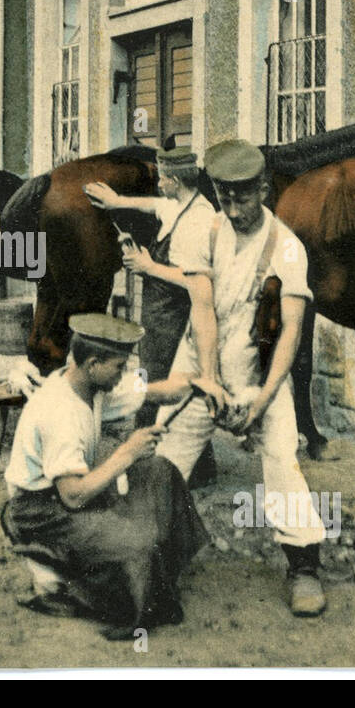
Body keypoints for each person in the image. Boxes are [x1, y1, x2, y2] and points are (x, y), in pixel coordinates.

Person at [154, 139, 329, 617]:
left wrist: (264, 397)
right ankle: (152, 555)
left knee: (281, 457)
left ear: (265, 189)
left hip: (257, 375)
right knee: (166, 462)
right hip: (198, 364)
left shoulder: (288, 248)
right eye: (224, 196)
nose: (233, 208)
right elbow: (202, 309)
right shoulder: (203, 233)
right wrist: (207, 380)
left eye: (243, 197)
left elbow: (292, 330)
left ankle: (304, 564)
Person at [1, 313, 211, 641]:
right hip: (39, 510)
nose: (124, 375)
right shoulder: (61, 411)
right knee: (137, 545)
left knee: (161, 472)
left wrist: (203, 384)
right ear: (94, 363)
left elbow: (158, 391)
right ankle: (64, 581)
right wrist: (127, 453)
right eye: (119, 367)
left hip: (70, 489)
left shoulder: (92, 382)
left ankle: (145, 573)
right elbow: (72, 496)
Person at [85, 144, 220, 481]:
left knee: (157, 388)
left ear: (175, 180)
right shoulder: (179, 203)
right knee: (164, 387)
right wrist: (118, 202)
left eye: (163, 178)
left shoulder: (198, 220)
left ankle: (146, 468)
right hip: (160, 314)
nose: (159, 184)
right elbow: (156, 205)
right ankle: (199, 468)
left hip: (175, 316)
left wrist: (147, 266)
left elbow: (196, 281)